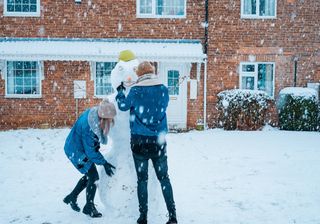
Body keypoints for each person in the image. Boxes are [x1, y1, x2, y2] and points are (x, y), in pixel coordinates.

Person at [115, 61, 178, 224]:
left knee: (142, 180)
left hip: (139, 142)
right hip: (158, 142)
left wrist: (121, 92)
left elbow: (123, 106)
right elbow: (161, 108)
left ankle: (143, 216)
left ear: (140, 74)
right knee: (164, 178)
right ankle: (172, 216)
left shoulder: (136, 91)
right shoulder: (163, 89)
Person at [63, 99, 116, 218]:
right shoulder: (90, 127)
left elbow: (91, 145)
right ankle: (89, 207)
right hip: (76, 151)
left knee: (90, 175)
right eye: (110, 120)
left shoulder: (96, 115)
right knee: (94, 177)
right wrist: (104, 163)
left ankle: (72, 197)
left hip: (77, 146)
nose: (111, 122)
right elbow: (90, 152)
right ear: (103, 118)